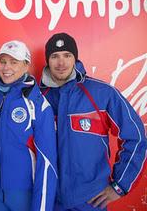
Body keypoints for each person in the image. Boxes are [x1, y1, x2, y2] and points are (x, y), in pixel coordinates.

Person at [39, 32, 147, 211]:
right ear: (47, 60)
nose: (61, 63)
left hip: (91, 201)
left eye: (67, 55)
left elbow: (136, 138)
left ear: (75, 58)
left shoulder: (102, 93)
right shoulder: (38, 97)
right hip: (50, 201)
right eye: (54, 56)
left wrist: (120, 185)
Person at [0, 40, 57, 210]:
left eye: (14, 62)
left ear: (26, 65)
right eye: (3, 61)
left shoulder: (38, 104)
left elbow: (47, 162)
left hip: (23, 195)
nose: (7, 68)